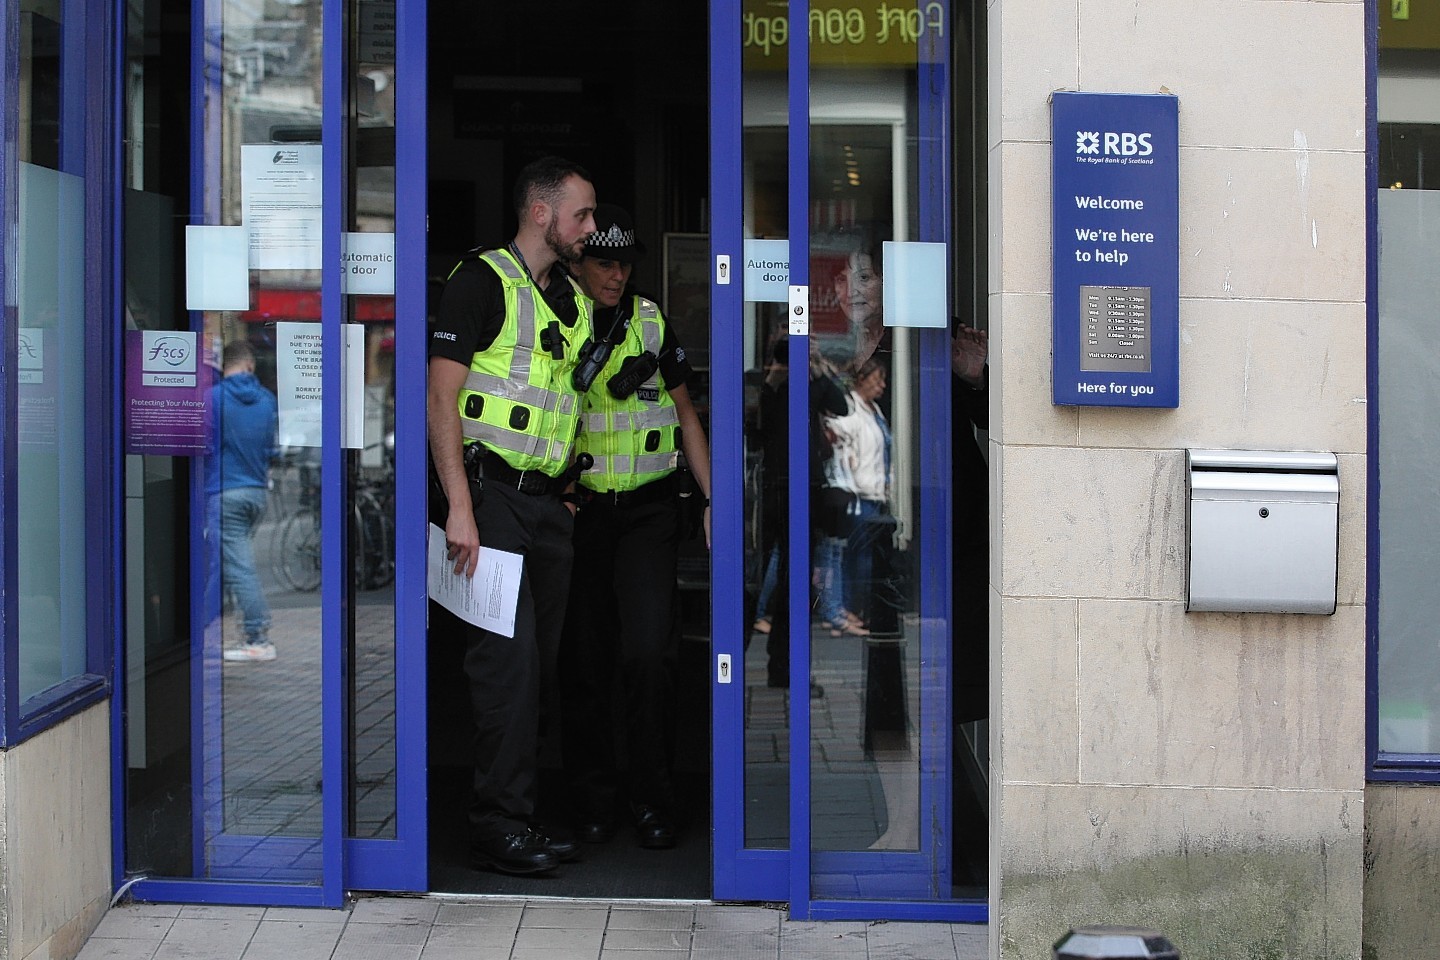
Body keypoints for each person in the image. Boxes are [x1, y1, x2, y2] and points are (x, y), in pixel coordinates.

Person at [427, 155, 596, 876]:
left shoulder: (571, 298)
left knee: (539, 670)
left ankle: (519, 813)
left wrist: (563, 494)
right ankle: (497, 824)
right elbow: (441, 399)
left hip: (546, 508)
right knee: (507, 670)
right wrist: (460, 508)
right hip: (490, 504)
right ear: (541, 212)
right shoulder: (479, 282)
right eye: (582, 214)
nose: (591, 228)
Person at [559, 205, 712, 850]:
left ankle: (653, 799)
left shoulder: (651, 320)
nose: (616, 274)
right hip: (582, 514)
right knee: (585, 662)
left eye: (624, 263)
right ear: (577, 262)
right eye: (604, 261)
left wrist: (715, 498)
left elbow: (685, 411)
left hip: (649, 512)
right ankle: (592, 799)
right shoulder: (553, 320)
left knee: (651, 657)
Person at [206, 340, 279, 663]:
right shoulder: (267, 400)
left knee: (239, 567)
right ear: (250, 366)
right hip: (256, 493)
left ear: (227, 365)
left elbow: (204, 447)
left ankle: (257, 636)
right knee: (226, 565)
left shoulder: (214, 398)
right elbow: (274, 450)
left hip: (225, 493)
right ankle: (200, 631)